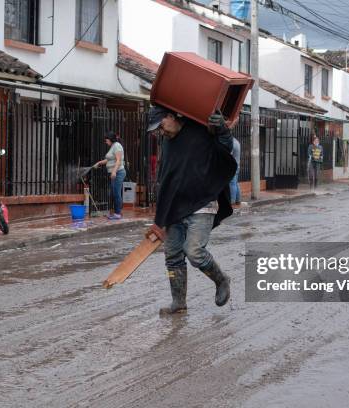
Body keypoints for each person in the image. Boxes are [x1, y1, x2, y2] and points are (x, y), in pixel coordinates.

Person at [145, 105, 237, 315]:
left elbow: (225, 148)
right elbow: (165, 180)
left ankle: (221, 279)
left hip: (203, 203)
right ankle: (178, 302)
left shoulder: (200, 129)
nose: (161, 132)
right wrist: (160, 220)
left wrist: (223, 130)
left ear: (170, 116)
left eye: (160, 126)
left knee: (194, 252)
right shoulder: (168, 144)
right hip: (176, 209)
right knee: (172, 255)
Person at [94, 131, 126, 220]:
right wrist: (99, 163)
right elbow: (109, 160)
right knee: (114, 193)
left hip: (119, 172)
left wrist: (114, 172)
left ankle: (117, 213)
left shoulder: (117, 146)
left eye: (106, 140)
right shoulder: (113, 146)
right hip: (115, 173)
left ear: (110, 139)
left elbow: (118, 161)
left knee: (116, 193)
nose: (105, 142)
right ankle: (115, 213)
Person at [229, 136, 242, 205]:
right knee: (235, 183)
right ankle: (238, 199)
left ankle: (232, 200)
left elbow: (229, 155)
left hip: (232, 166)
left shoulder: (231, 143)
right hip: (237, 165)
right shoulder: (236, 142)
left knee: (232, 183)